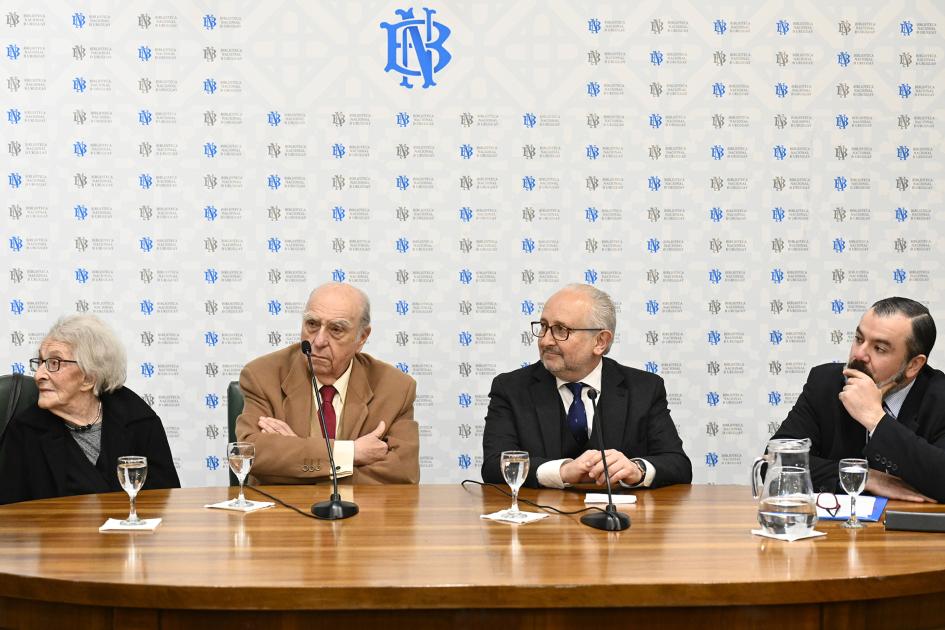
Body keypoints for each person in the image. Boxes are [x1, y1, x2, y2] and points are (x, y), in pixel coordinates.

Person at [481, 284, 692, 489]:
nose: (545, 341)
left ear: (600, 341)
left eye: (560, 330)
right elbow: (494, 465)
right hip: (541, 519)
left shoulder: (644, 389)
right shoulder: (511, 388)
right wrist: (561, 471)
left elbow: (678, 465)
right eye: (543, 327)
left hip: (623, 520)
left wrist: (637, 470)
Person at [236, 282, 419, 484]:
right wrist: (350, 453)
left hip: (360, 513)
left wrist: (295, 463)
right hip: (282, 513)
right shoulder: (262, 375)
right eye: (312, 325)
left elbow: (403, 474)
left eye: (336, 329)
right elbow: (249, 454)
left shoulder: (395, 388)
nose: (319, 341)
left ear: (362, 338)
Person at [771, 297, 944, 502]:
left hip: (911, 530)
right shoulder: (824, 384)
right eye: (859, 339)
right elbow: (775, 464)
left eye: (879, 348)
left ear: (914, 365)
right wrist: (864, 476)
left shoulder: (939, 398)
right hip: (837, 530)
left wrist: (876, 420)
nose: (859, 354)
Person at [0, 314, 180, 504]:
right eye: (41, 362)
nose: (38, 375)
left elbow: (165, 502)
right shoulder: (25, 430)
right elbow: (11, 515)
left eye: (54, 363)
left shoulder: (138, 421)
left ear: (88, 378)